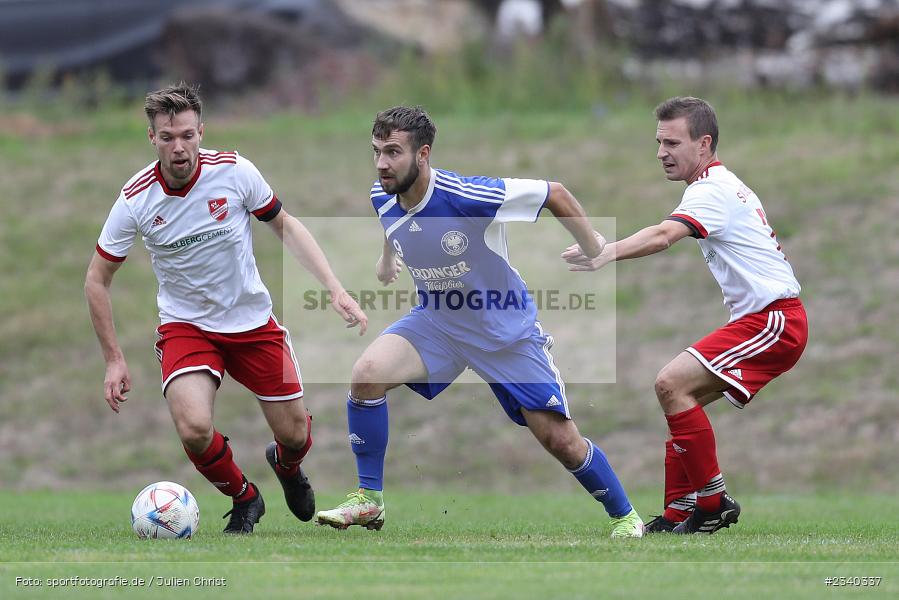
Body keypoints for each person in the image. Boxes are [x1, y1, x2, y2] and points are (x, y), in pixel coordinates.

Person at [313, 106, 644, 538]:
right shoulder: (383, 194)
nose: (381, 163)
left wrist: (593, 243)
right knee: (366, 375)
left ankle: (626, 517)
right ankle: (369, 501)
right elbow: (394, 224)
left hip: (503, 333)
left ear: (423, 154)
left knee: (560, 440)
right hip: (439, 324)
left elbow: (555, 193)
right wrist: (386, 260)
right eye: (376, 151)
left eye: (393, 152)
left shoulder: (467, 194)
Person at [85, 83, 368, 534]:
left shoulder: (235, 172)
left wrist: (334, 288)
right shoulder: (136, 198)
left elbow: (287, 228)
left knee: (295, 435)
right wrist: (114, 359)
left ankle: (288, 467)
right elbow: (97, 279)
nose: (179, 147)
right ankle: (245, 497)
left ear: (201, 132)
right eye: (167, 137)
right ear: (152, 138)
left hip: (253, 323)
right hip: (187, 327)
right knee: (194, 427)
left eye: (187, 135)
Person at [564, 96, 808, 534]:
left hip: (775, 321)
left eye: (672, 142)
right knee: (680, 399)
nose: (661, 152)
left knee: (671, 383)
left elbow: (662, 236)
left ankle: (712, 503)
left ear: (704, 144)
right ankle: (680, 512)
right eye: (659, 142)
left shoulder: (712, 190)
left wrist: (604, 252)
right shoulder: (719, 184)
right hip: (766, 320)